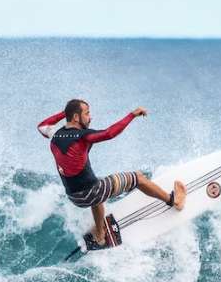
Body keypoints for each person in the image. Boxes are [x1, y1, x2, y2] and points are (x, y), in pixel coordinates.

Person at [38, 99, 186, 246]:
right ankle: (174, 201)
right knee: (138, 178)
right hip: (91, 193)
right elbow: (109, 133)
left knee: (97, 187)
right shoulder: (82, 136)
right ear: (76, 117)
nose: (90, 117)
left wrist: (66, 113)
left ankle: (100, 235)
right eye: (87, 113)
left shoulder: (55, 134)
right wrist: (132, 115)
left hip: (75, 197)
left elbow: (42, 126)